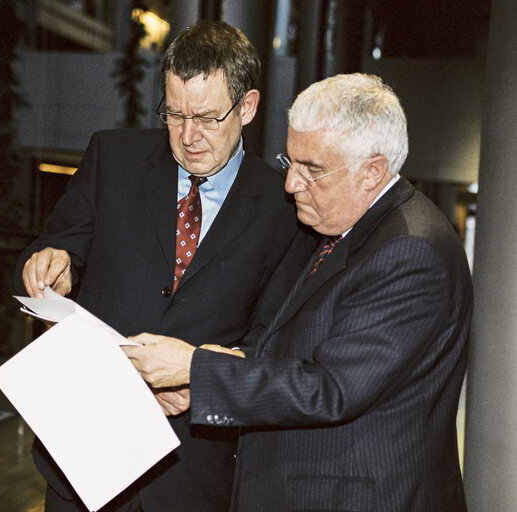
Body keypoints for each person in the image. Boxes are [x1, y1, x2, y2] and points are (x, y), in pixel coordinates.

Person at [125, 73, 473, 511]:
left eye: (312, 170)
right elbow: (310, 352)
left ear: (373, 172)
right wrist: (212, 377)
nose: (291, 186)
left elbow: (331, 388)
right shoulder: (351, 229)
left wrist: (197, 368)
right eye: (291, 163)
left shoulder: (410, 252)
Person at [15, 21, 313, 512]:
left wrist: (202, 378)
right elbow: (56, 245)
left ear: (250, 107)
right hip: (83, 453)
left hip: (192, 473)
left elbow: (273, 341)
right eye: (174, 114)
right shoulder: (112, 158)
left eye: (207, 117)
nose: (188, 136)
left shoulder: (284, 207)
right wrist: (53, 263)